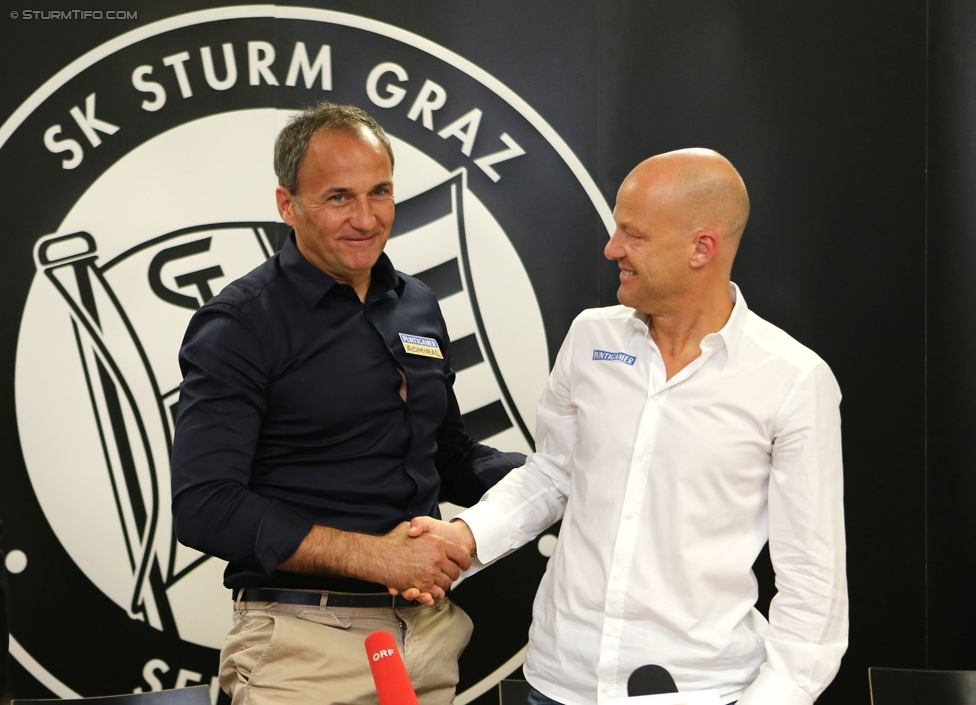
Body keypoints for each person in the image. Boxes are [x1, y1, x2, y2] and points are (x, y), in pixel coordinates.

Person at [405, 149, 848, 704]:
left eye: (633, 234)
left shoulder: (792, 379)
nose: (612, 248)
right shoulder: (591, 338)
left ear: (701, 248)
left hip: (699, 691)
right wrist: (465, 538)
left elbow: (813, 585)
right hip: (557, 680)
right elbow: (551, 475)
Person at [170, 101, 524, 705]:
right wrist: (379, 559)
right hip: (303, 648)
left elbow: (447, 453)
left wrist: (558, 474)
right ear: (288, 205)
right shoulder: (239, 323)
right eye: (338, 197)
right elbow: (204, 506)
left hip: (428, 640)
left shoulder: (416, 304)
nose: (366, 218)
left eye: (380, 191)